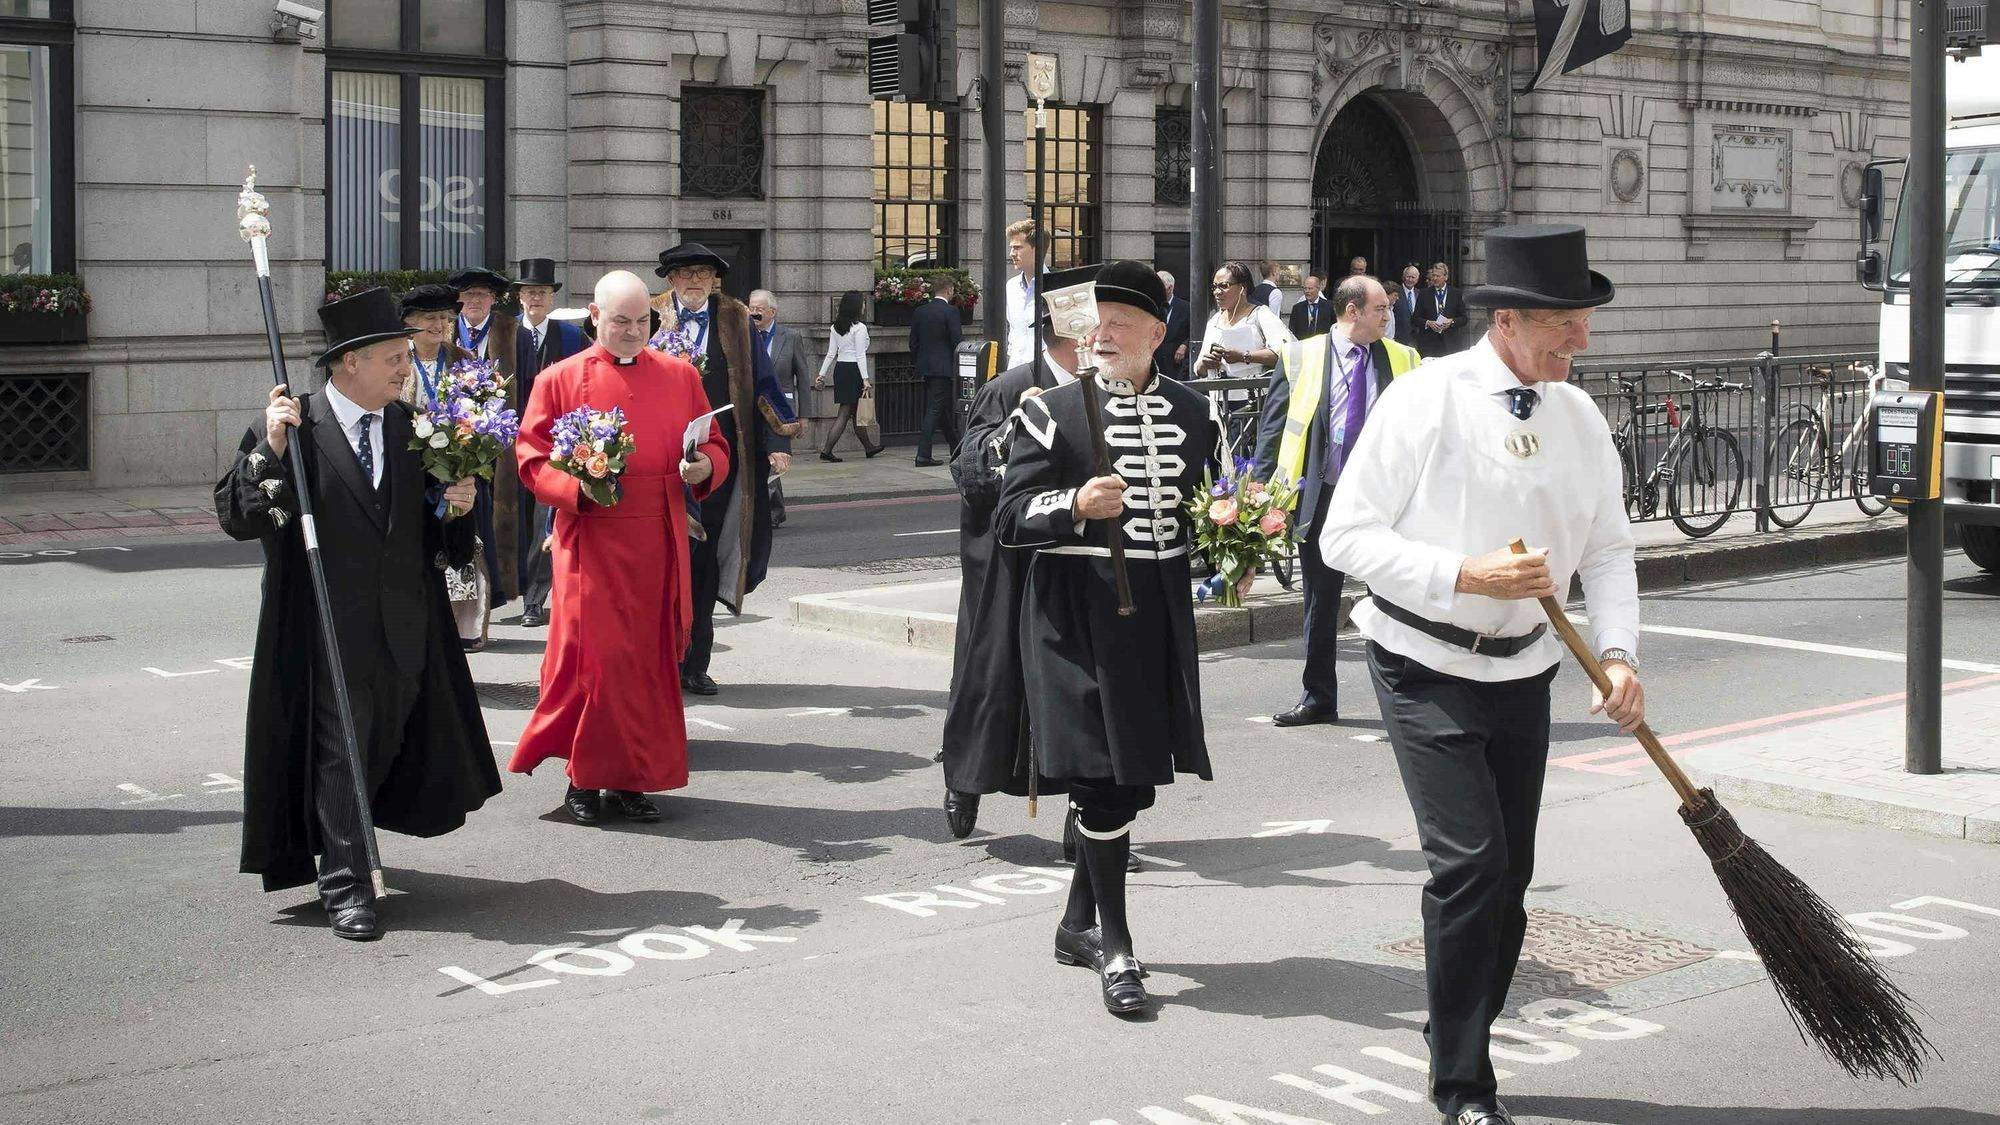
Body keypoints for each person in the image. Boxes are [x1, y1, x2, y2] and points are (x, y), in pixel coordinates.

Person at [1320, 224, 1642, 1125]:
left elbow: (1612, 553)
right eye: (1566, 325)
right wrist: (1464, 575)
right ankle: (1463, 1081)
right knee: (1472, 864)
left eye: (1583, 322)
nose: (1581, 340)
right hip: (1421, 659)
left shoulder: (1579, 417)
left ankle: (1458, 1023)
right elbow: (1344, 537)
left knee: (1512, 877)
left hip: (1525, 668)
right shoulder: (1426, 399)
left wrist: (1618, 654)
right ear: (1507, 320)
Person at [215, 286, 500, 941]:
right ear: (351, 364)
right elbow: (240, 514)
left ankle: (346, 842)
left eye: (406, 354)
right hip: (323, 629)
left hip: (402, 628)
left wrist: (454, 505)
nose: (408, 366)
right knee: (340, 745)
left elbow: (436, 537)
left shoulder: (408, 427)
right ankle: (345, 884)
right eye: (396, 356)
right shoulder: (293, 426)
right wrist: (274, 453)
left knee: (379, 744)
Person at [995, 260, 1218, 1017]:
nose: (1105, 336)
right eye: (1098, 322)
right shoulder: (1051, 409)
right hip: (1071, 614)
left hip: (1155, 614)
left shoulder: (1194, 412)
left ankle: (1073, 924)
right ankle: (1116, 945)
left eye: (1123, 325)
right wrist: (1073, 504)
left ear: (1159, 334)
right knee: (1097, 776)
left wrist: (1235, 547)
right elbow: (1007, 518)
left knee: (1129, 780)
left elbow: (1206, 508)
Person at [512, 270, 733, 826]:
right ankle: (585, 779)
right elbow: (530, 458)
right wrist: (575, 488)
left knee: (649, 665)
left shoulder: (681, 376)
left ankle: (635, 778)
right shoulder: (559, 379)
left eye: (642, 321)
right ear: (594, 317)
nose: (634, 332)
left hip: (659, 537)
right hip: (592, 540)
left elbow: (715, 444)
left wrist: (705, 466)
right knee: (594, 663)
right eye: (620, 322)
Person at [940, 263, 1095, 843]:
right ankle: (965, 778)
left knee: (1077, 689)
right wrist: (1012, 427)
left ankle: (1087, 815)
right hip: (1007, 562)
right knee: (990, 678)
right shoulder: (1009, 386)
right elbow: (970, 469)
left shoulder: (1103, 389)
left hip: (1075, 558)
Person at [1253, 275, 1420, 728]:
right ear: (1353, 312)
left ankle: (1407, 698)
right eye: (1381, 309)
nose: (1389, 316)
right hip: (1322, 497)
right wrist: (1260, 488)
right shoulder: (1302, 355)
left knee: (1393, 598)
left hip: (1384, 501)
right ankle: (1318, 696)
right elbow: (1273, 428)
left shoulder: (1405, 358)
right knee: (1320, 601)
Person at [653, 242, 798, 698]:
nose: (694, 281)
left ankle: (695, 663)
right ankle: (658, 661)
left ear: (713, 280)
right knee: (662, 565)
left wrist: (777, 441)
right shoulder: (650, 316)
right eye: (684, 273)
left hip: (719, 462)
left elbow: (765, 384)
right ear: (670, 280)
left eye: (703, 273)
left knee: (706, 563)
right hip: (659, 460)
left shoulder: (735, 318)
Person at [397, 283, 487, 647]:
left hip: (453, 471)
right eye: (429, 317)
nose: (439, 325)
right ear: (410, 322)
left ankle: (454, 641)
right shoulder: (397, 358)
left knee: (456, 555)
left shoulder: (463, 359)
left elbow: (483, 412)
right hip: (409, 471)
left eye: (444, 318)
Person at [512, 258, 588, 628]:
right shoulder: (505, 335)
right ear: (520, 297)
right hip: (507, 443)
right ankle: (512, 588)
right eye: (529, 292)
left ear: (551, 297)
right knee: (515, 522)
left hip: (553, 445)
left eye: (541, 292)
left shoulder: (572, 338)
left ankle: (535, 599)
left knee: (545, 519)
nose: (535, 298)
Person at [447, 267, 525, 626]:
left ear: (494, 300)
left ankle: (493, 595)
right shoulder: (442, 333)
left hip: (503, 443)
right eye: (468, 295)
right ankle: (464, 607)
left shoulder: (514, 334)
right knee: (464, 522)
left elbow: (530, 385)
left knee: (499, 521)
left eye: (482, 295)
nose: (474, 301)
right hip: (454, 445)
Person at [1195, 261, 1295, 430]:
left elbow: (1286, 352)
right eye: (1215, 287)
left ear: (1242, 288)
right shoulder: (1214, 320)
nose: (1217, 292)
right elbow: (1198, 368)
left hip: (1252, 404)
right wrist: (1205, 363)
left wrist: (1244, 356)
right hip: (1218, 405)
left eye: (1224, 286)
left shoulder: (1260, 314)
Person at [751, 289, 813, 527]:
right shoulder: (744, 335)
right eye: (751, 307)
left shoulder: (790, 336)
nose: (753, 312)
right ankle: (771, 510)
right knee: (759, 459)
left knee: (776, 460)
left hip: (781, 410)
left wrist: (804, 416)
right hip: (751, 408)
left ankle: (773, 511)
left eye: (759, 309)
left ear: (772, 312)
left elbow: (803, 377)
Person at [814, 291, 881, 461]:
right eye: (863, 303)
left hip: (841, 369)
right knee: (845, 412)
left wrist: (821, 375)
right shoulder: (859, 328)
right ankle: (827, 450)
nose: (865, 306)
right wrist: (865, 379)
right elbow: (860, 355)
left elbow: (830, 354)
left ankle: (869, 447)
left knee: (856, 412)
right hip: (854, 370)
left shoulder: (835, 327)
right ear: (856, 307)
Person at [910, 275, 964, 467]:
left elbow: (913, 343)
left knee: (942, 410)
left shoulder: (920, 311)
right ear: (949, 290)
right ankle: (923, 455)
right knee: (935, 410)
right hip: (944, 368)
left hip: (926, 368)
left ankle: (955, 448)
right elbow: (957, 341)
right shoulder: (951, 312)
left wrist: (919, 363)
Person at [1003, 219, 1044, 368]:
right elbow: (1013, 331)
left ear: (1036, 249)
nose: (1011, 253)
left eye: (1017, 248)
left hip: (1044, 374)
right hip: (1015, 370)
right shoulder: (1011, 287)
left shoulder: (1057, 287)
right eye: (1011, 248)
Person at [1415, 260, 1469, 356]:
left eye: (1438, 276)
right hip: (1429, 344)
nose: (1435, 278)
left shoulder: (1456, 293)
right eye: (1433, 276)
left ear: (1446, 277)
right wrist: (1428, 323)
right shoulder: (1424, 294)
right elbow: (1415, 319)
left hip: (1451, 344)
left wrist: (1451, 321)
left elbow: (1464, 319)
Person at [1152, 270, 1189, 378]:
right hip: (1154, 363)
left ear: (1170, 288)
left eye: (1159, 286)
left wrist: (1185, 345)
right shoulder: (1151, 306)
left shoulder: (1185, 308)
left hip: (1176, 364)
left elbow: (1196, 332)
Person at [1288, 273, 1331, 338]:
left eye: (1310, 288)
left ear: (1318, 289)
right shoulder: (1297, 308)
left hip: (1322, 344)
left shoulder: (1329, 306)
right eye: (1305, 288)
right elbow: (1292, 330)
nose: (1307, 291)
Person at [1393, 263, 1423, 348]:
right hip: (1399, 338)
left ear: (1417, 279)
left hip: (1416, 338)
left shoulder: (1419, 293)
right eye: (1408, 276)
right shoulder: (1396, 292)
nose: (1410, 280)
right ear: (1403, 277)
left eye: (1413, 277)